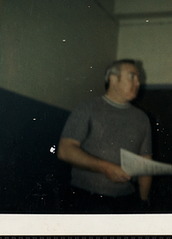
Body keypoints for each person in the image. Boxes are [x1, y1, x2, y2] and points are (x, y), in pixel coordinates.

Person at [57, 59, 152, 213]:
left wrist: (143, 202)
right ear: (114, 80)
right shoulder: (87, 108)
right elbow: (64, 150)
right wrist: (106, 168)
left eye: (138, 78)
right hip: (84, 199)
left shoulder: (142, 119)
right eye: (132, 77)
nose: (138, 83)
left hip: (126, 202)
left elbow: (145, 163)